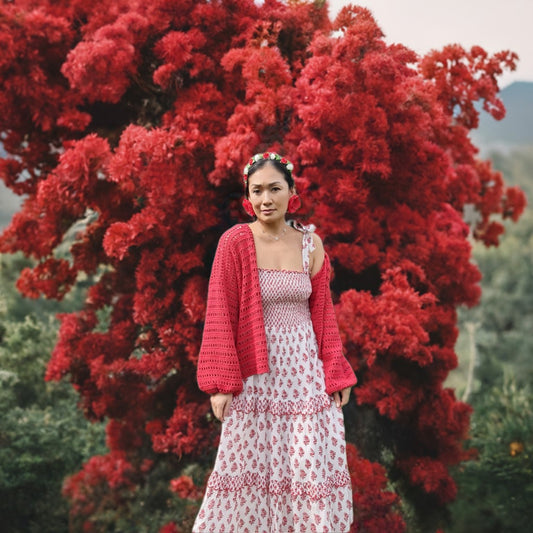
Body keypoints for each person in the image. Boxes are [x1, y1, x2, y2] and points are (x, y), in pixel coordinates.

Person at [193, 152, 357, 532]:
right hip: (256, 374)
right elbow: (220, 311)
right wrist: (220, 385)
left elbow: (323, 314)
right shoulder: (235, 242)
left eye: (274, 188)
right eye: (257, 191)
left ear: (291, 192)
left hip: (304, 374)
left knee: (304, 465)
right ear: (247, 198)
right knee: (249, 464)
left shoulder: (309, 244)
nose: (266, 198)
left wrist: (336, 372)